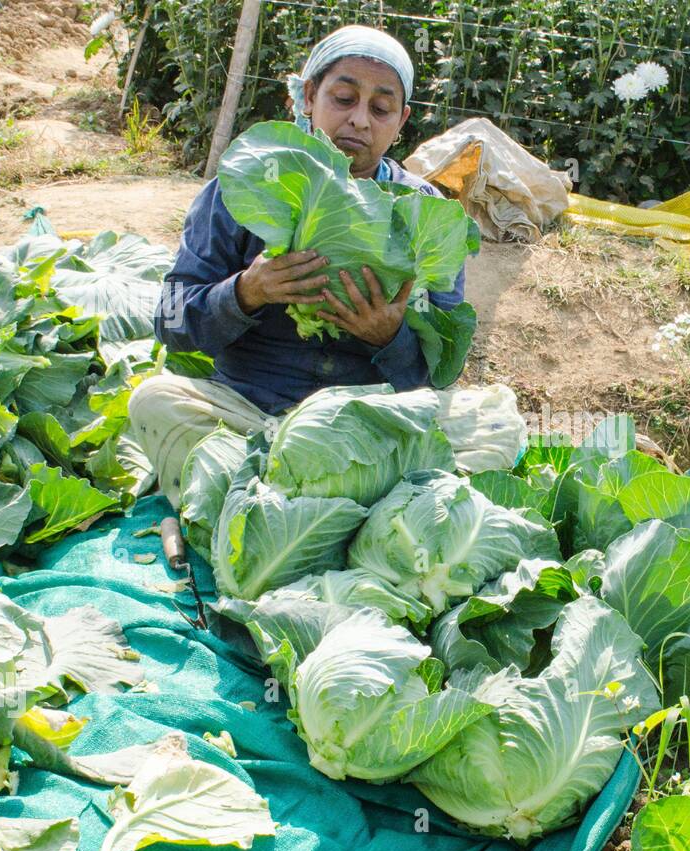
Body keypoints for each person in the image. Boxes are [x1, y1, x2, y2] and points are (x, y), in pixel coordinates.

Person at [128, 24, 468, 506]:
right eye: (344, 98)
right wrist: (246, 292)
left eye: (381, 108)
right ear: (309, 96)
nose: (360, 121)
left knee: (493, 427)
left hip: (365, 428)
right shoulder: (249, 181)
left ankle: (256, 497)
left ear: (402, 120)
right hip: (246, 412)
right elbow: (171, 321)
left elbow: (439, 371)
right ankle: (334, 506)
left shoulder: (426, 212)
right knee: (153, 401)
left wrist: (389, 338)